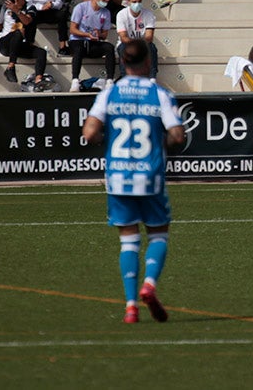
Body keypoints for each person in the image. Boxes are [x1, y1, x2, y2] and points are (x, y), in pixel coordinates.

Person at [82, 38, 184, 324]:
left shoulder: (109, 93)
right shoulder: (160, 93)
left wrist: (105, 137)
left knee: (128, 240)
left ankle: (130, 306)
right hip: (149, 175)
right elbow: (177, 136)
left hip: (118, 176)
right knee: (158, 233)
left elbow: (89, 133)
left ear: (123, 62)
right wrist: (163, 140)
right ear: (149, 62)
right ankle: (149, 284)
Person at [0, 0, 49, 90]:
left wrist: (17, 11)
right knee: (17, 33)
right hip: (5, 43)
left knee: (41, 52)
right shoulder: (5, 7)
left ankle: (38, 80)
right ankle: (11, 67)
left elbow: (27, 21)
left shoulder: (30, 7)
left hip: (20, 43)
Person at [69, 0, 117, 93]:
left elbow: (104, 35)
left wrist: (98, 34)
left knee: (109, 47)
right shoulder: (81, 7)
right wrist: (87, 34)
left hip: (93, 42)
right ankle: (75, 80)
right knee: (78, 49)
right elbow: (72, 30)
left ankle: (109, 81)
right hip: (78, 40)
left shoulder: (106, 12)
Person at [116, 0, 158, 79]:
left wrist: (139, 45)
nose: (137, 4)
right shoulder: (121, 14)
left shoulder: (149, 14)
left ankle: (152, 79)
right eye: (134, 2)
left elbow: (149, 37)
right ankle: (125, 78)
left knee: (152, 48)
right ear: (128, 2)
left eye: (139, 1)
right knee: (123, 48)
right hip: (126, 44)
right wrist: (135, 45)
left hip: (143, 44)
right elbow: (123, 37)